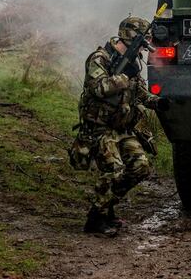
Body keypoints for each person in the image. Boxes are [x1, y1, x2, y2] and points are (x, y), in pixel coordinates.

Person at [69, 15, 168, 236]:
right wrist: (123, 78)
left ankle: (107, 205)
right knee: (114, 170)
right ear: (129, 35)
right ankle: (95, 219)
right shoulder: (100, 58)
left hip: (122, 129)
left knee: (140, 166)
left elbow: (139, 92)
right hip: (99, 129)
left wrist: (158, 103)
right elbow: (99, 88)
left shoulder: (132, 63)